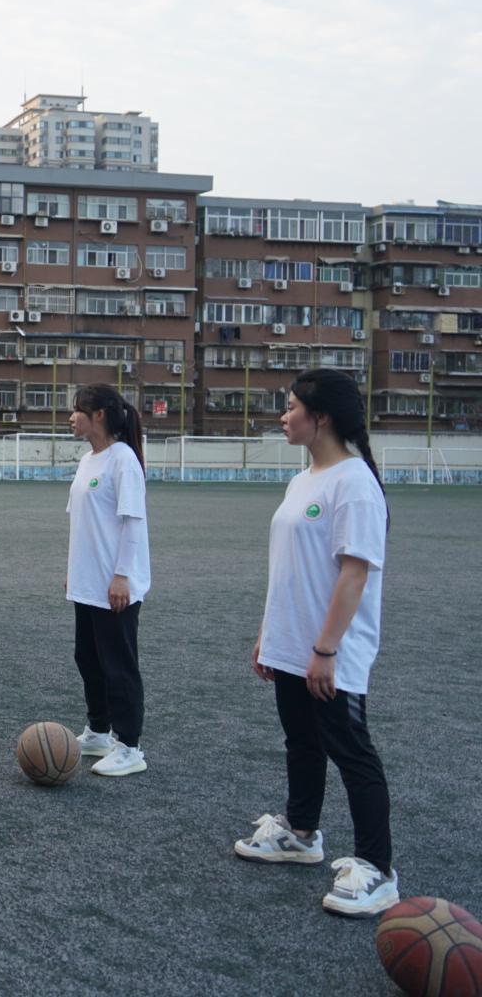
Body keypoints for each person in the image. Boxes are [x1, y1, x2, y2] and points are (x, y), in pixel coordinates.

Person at [234, 369, 397, 918]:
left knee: (351, 753)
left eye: (291, 407)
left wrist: (325, 650)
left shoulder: (354, 483)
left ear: (320, 416)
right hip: (291, 643)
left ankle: (377, 868)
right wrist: (269, 635)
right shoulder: (303, 479)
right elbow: (289, 567)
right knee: (301, 742)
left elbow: (355, 573)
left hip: (330, 651)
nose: (283, 417)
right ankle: (300, 833)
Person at [65, 384, 152, 776]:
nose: (71, 417)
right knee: (88, 659)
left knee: (118, 665)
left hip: (115, 585)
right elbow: (84, 523)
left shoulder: (123, 459)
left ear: (98, 414)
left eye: (77, 410)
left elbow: (132, 523)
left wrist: (122, 576)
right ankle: (98, 731)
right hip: (88, 583)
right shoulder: (89, 460)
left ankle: (130, 746)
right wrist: (74, 572)